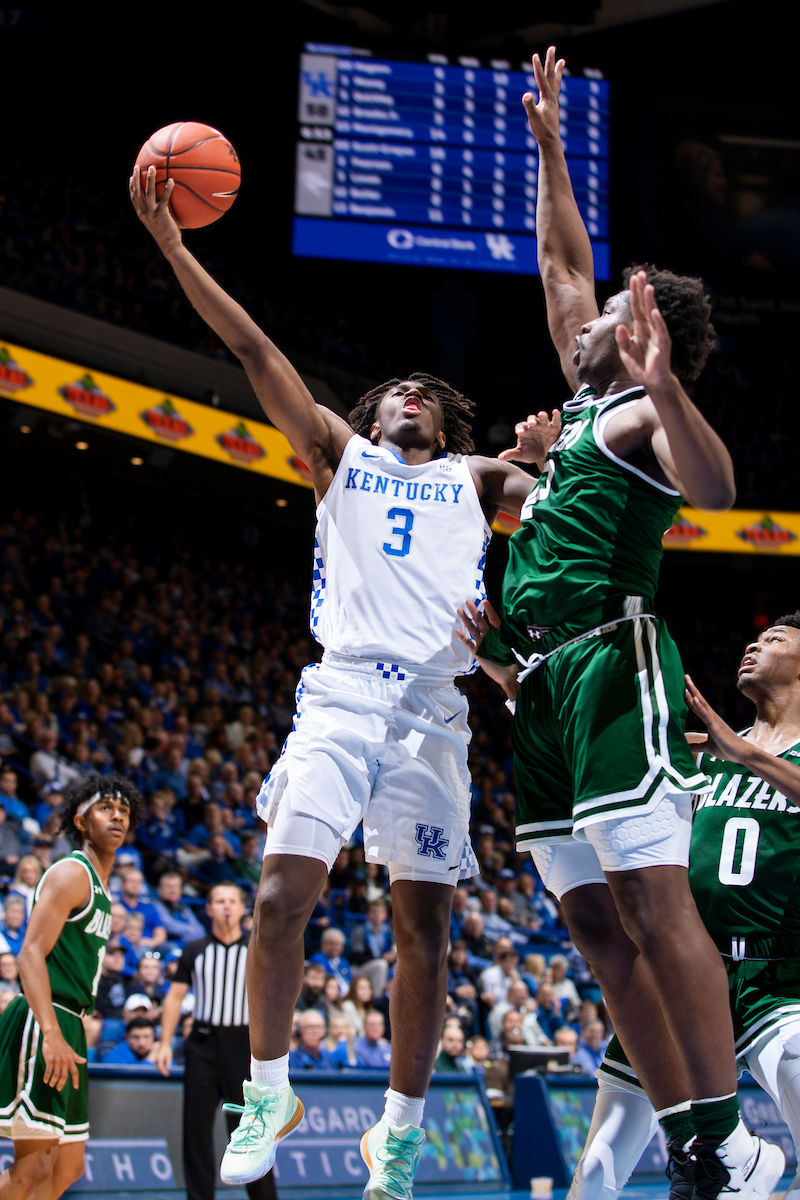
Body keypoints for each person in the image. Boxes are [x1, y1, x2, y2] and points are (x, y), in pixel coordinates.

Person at [129, 158, 537, 1200]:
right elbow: (252, 344)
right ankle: (271, 1092)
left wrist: (550, 452)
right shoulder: (335, 454)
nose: (404, 399)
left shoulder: (477, 480)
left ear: (446, 423)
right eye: (391, 393)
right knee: (277, 897)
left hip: (435, 714)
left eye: (422, 396)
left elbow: (564, 520)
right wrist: (175, 245)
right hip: (344, 693)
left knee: (423, 931)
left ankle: (395, 1132)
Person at [459, 46, 780, 1200]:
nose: (584, 319)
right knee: (594, 927)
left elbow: (718, 490)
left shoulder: (643, 412)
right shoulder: (583, 396)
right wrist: (547, 146)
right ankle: (697, 1140)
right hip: (539, 685)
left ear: (643, 342)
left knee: (651, 900)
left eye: (611, 317)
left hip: (613, 663)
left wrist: (666, 377)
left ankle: (731, 1135)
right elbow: (556, 264)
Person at [566, 614, 800, 1200]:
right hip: (689, 977)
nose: (753, 643)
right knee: (594, 1171)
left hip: (778, 980)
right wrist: (521, 689)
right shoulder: (705, 750)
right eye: (755, 635)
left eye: (775, 639)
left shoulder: (733, 748)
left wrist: (742, 753)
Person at [0, 773, 138, 1200]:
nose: (116, 817)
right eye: (105, 809)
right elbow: (29, 955)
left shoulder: (101, 886)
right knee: (34, 1165)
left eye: (124, 811)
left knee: (67, 1168)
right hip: (46, 1020)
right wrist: (52, 1033)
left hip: (71, 1023)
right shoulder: (71, 873)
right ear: (80, 821)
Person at [155, 882, 277, 1200]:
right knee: (196, 1132)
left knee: (251, 1133)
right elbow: (174, 998)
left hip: (243, 1049)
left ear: (242, 909)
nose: (226, 906)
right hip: (203, 1045)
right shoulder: (194, 950)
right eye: (219, 901)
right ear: (208, 909)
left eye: (232, 901)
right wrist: (165, 1042)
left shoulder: (257, 947)